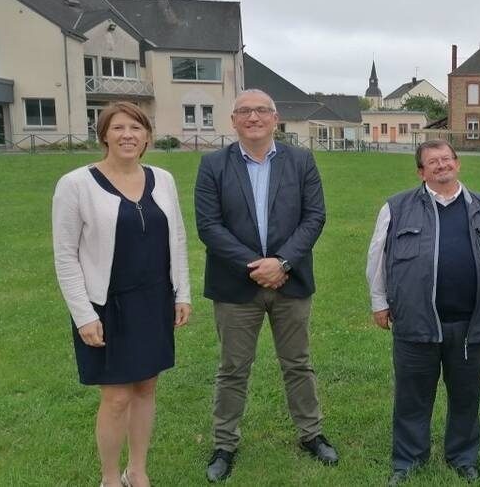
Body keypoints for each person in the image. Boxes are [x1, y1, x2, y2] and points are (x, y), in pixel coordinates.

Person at [195, 89, 337, 482]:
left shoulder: (301, 161)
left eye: (261, 110)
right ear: (233, 121)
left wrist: (283, 262)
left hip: (291, 282)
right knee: (233, 368)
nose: (253, 117)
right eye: (244, 111)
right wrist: (256, 266)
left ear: (275, 119)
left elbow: (314, 217)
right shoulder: (213, 166)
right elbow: (209, 226)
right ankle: (224, 444)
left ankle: (311, 434)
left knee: (298, 363)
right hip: (235, 286)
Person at [52, 101, 191, 487]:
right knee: (116, 397)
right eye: (118, 128)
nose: (127, 135)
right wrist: (83, 315)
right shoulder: (76, 184)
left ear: (147, 136)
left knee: (146, 387)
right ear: (104, 136)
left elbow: (176, 238)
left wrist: (182, 294)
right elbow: (65, 256)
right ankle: (111, 477)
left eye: (136, 127)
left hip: (154, 300)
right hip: (106, 306)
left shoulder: (163, 179)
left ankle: (138, 470)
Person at [366, 139, 480, 485]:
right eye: (433, 162)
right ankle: (407, 460)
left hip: (468, 324)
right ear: (422, 171)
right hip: (415, 322)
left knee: (466, 395)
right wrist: (380, 302)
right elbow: (378, 258)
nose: (441, 165)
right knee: (411, 396)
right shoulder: (397, 207)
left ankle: (463, 456)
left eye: (447, 159)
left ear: (458, 164)